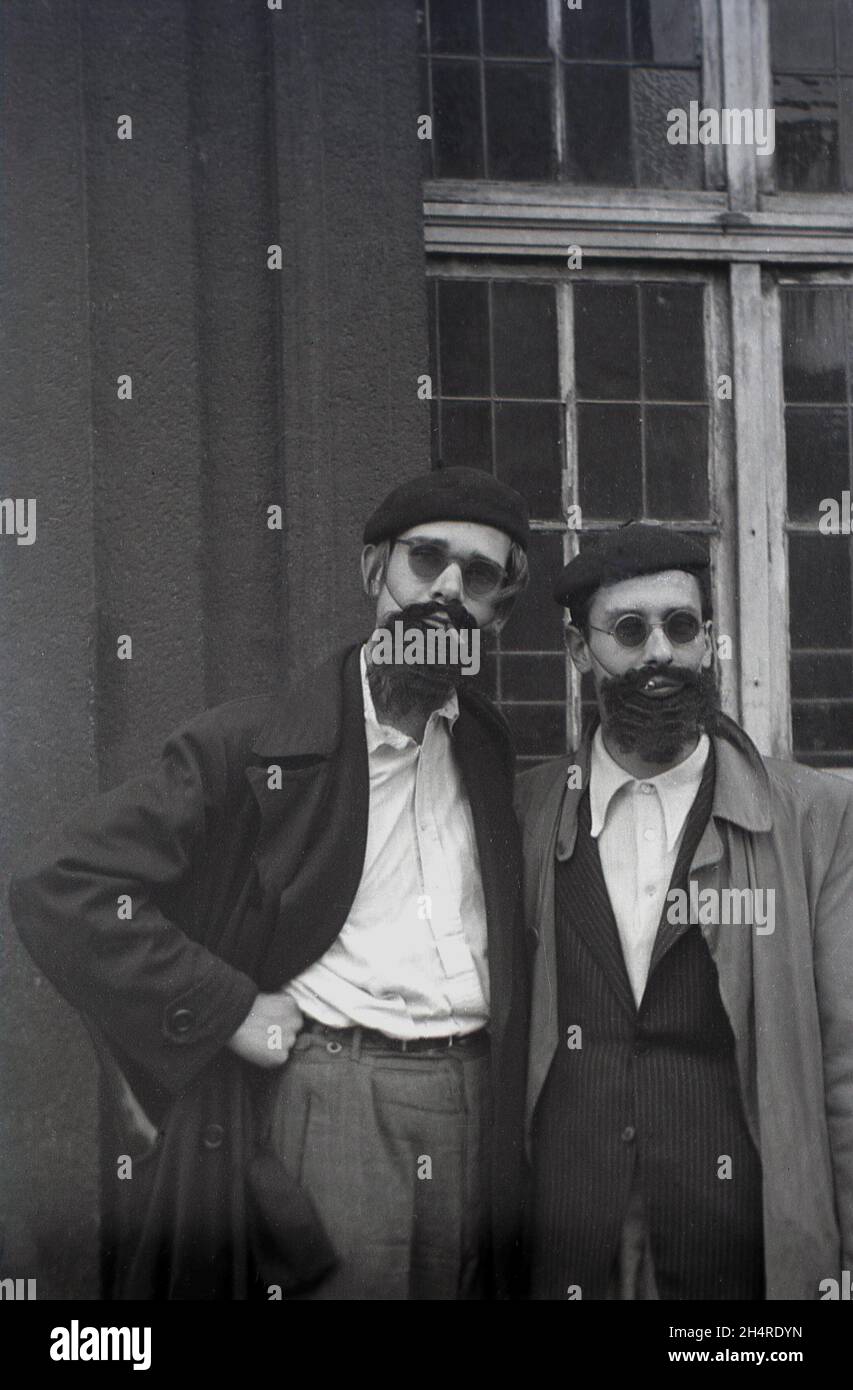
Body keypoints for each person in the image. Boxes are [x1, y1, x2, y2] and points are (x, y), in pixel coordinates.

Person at [9, 465, 531, 1301]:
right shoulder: (248, 747)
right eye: (423, 560)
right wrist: (227, 1009)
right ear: (374, 573)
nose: (443, 591)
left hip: (481, 1107)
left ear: (495, 611)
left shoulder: (484, 747)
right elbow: (61, 884)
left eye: (475, 575)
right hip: (337, 1106)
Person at [516, 522, 853, 1301]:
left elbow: (846, 1056)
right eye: (628, 632)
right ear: (578, 651)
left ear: (708, 641)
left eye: (680, 627)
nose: (658, 653)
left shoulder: (812, 818)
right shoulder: (525, 813)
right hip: (568, 1237)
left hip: (736, 1243)